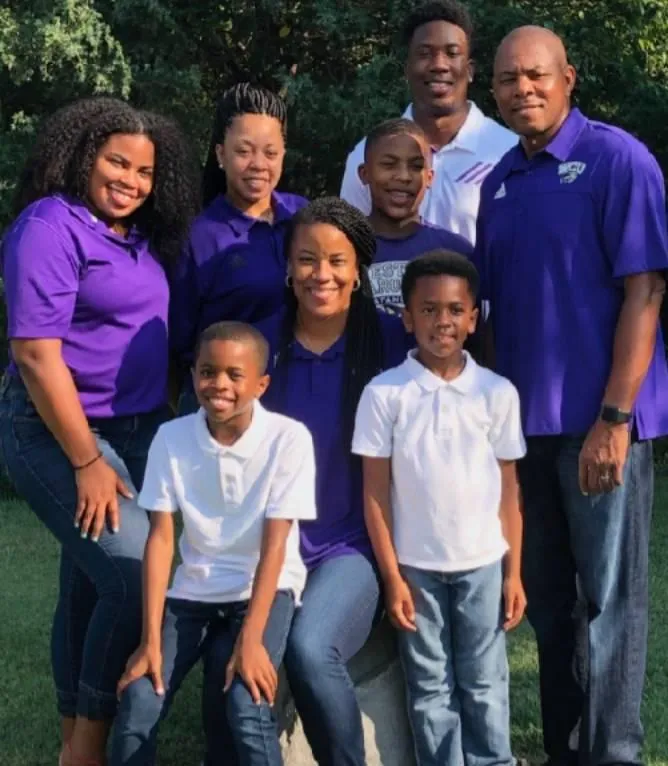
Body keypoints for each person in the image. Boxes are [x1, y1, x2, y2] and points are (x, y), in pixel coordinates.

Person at [475, 25, 668, 766]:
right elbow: (494, 316)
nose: (522, 88)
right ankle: (567, 752)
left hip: (601, 424)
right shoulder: (498, 183)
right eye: (507, 79)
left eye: (536, 75)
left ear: (569, 78)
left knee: (611, 604)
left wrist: (615, 418)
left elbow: (645, 290)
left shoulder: (619, 160)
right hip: (526, 432)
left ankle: (613, 754)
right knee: (552, 606)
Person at [0, 97, 199, 765]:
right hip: (60, 433)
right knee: (133, 570)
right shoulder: (48, 226)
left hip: (139, 428)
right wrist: (87, 461)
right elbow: (36, 353)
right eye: (117, 162)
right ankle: (87, 747)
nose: (130, 181)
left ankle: (72, 741)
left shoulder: (135, 236)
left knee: (87, 585)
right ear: (84, 157)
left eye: (145, 171)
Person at [202, 198, 411, 766]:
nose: (322, 274)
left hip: (352, 545)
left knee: (312, 648)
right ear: (288, 268)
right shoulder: (256, 348)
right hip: (270, 544)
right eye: (307, 259)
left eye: (337, 261)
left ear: (358, 271)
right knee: (229, 658)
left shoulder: (391, 344)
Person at [111, 321, 316, 766]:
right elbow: (161, 538)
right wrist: (150, 640)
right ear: (193, 376)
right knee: (140, 698)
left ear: (261, 385)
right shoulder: (171, 438)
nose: (219, 384)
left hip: (262, 588)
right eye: (208, 371)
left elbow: (275, 547)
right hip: (194, 591)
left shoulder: (289, 438)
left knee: (246, 701)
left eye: (234, 375)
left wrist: (252, 639)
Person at [352, 251, 526, 766]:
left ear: (473, 318)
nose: (442, 321)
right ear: (407, 318)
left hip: (483, 564)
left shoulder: (496, 393)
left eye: (454, 310)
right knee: (430, 686)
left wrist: (513, 572)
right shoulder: (384, 394)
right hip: (416, 568)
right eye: (428, 310)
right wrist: (392, 577)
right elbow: (375, 494)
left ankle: (492, 760)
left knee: (484, 680)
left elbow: (510, 491)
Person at [170, 82, 308, 403]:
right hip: (226, 404)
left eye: (270, 153)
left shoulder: (304, 216)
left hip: (300, 393)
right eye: (244, 151)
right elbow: (179, 341)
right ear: (221, 154)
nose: (258, 164)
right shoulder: (199, 237)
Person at [340, 0, 516, 244]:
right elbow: (349, 248)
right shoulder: (365, 157)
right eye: (424, 54)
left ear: (470, 70)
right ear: (407, 69)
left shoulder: (508, 153)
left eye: (452, 53)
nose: (439, 65)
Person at [360, 118, 472, 313]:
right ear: (365, 173)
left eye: (416, 166)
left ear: (429, 177)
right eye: (389, 165)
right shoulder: (344, 248)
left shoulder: (456, 251)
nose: (403, 176)